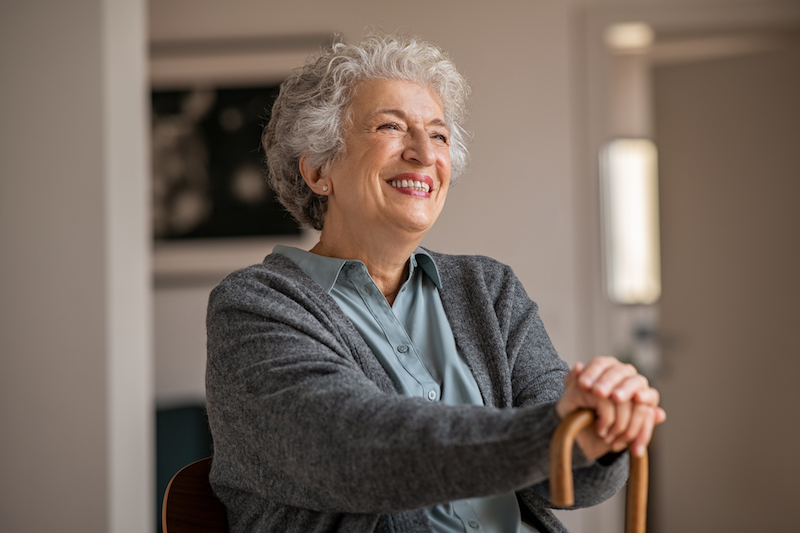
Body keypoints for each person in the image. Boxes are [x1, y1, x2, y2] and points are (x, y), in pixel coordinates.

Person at [205, 33, 665, 533]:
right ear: (318, 170)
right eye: (390, 127)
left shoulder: (488, 289)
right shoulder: (254, 305)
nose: (424, 154)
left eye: (439, 135)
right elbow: (351, 450)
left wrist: (603, 422)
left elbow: (571, 484)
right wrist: (555, 431)